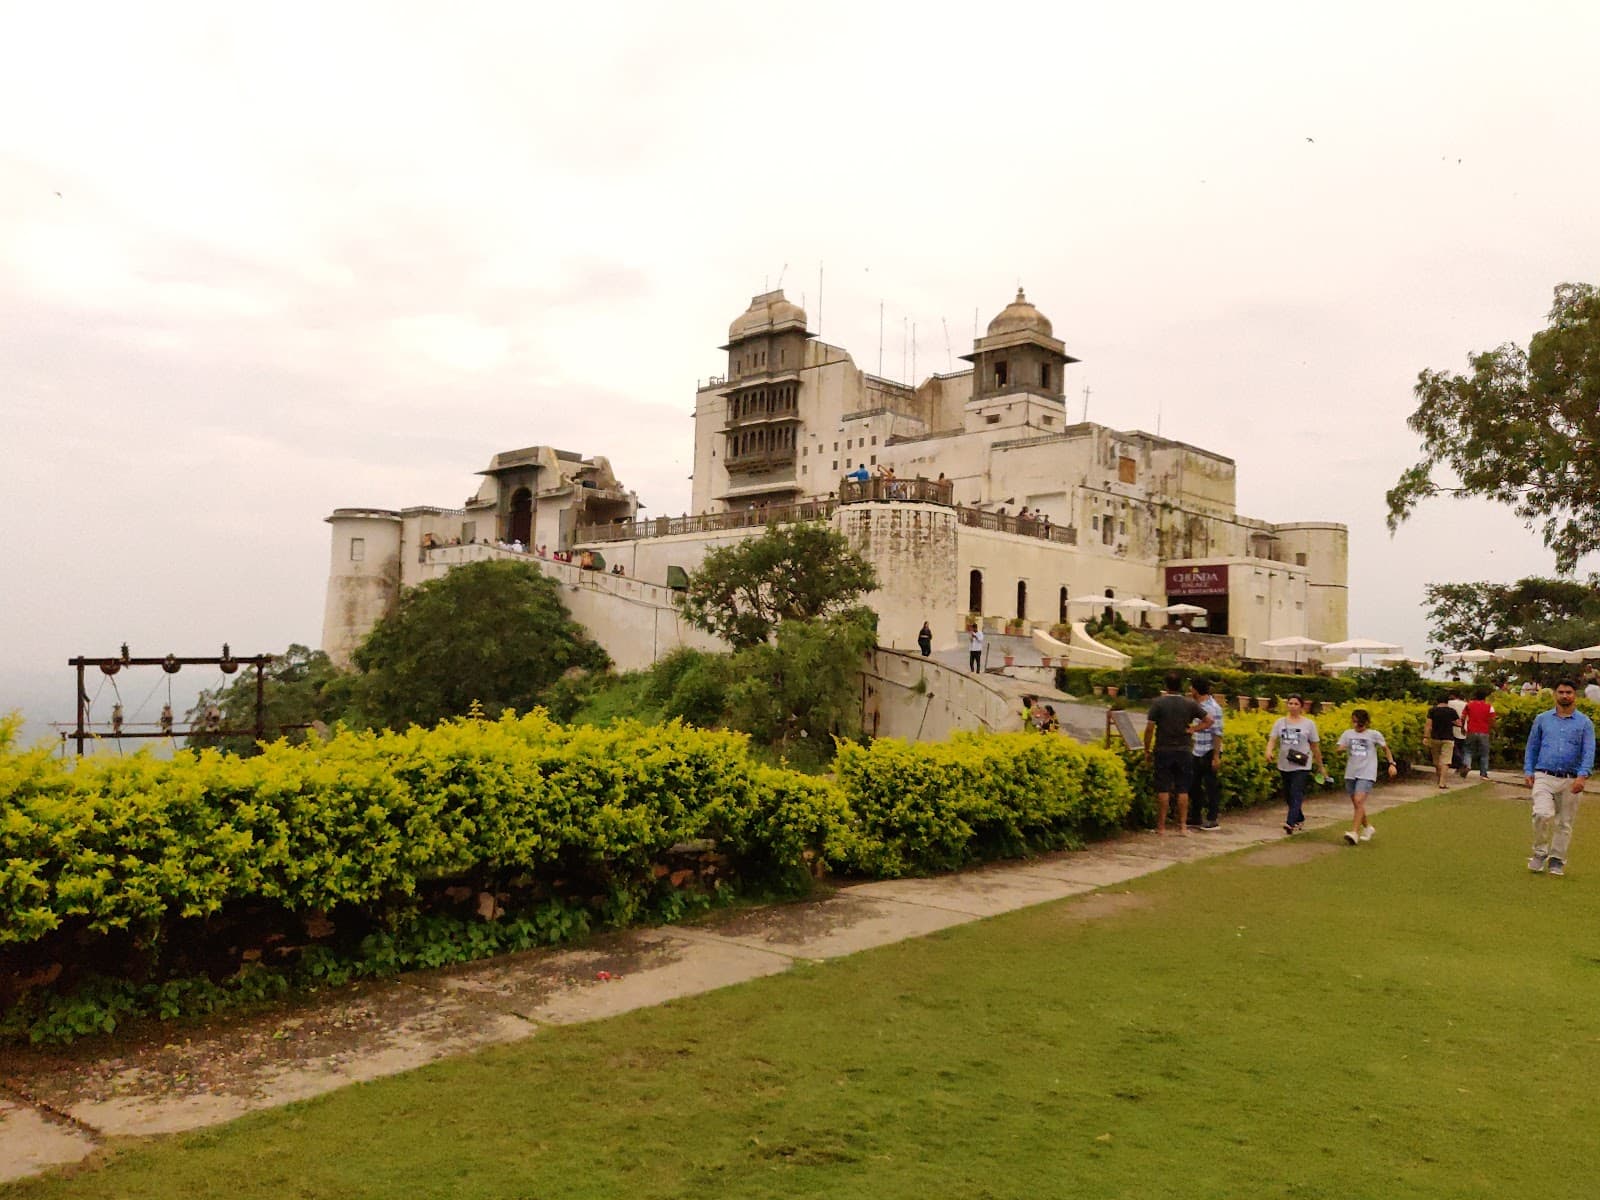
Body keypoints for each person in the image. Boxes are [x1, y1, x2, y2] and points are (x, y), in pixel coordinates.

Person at [1523, 680, 1596, 876]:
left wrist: (1582, 776)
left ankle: (1557, 859)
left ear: (1575, 695)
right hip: (1544, 775)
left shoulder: (1584, 723)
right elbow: (1532, 747)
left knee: (1564, 822)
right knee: (1542, 813)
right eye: (1561, 692)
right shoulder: (1542, 719)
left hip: (1570, 779)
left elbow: (1589, 751)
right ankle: (1539, 852)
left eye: (1569, 692)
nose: (1565, 696)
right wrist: (1528, 770)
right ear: (1555, 694)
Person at [1143, 673, 1212, 836]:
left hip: (1164, 748)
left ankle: (1161, 826)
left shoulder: (1158, 704)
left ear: (1166, 686)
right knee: (1183, 789)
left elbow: (1150, 728)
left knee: (1163, 788)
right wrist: (1192, 729)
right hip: (1184, 749)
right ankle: (1182, 826)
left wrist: (1147, 748)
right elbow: (1209, 720)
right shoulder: (1189, 704)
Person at [1335, 708, 1398, 845]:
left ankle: (1354, 832)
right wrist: (1341, 749)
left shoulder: (1374, 734)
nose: (1357, 725)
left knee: (1358, 801)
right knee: (1357, 804)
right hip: (1351, 772)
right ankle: (1368, 827)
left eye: (1359, 723)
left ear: (1366, 723)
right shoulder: (1348, 734)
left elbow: (1385, 749)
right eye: (1355, 722)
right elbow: (1339, 748)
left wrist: (1391, 763)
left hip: (1367, 772)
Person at [1266, 695, 1323, 835]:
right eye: (1290, 703)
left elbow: (1315, 746)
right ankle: (1299, 817)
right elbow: (1272, 739)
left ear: (1301, 706)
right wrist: (1269, 750)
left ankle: (1290, 822)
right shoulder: (1280, 722)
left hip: (1302, 763)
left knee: (1296, 792)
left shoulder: (1308, 724)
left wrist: (1320, 765)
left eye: (1296, 703)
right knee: (1288, 794)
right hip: (1285, 762)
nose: (1292, 706)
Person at [1188, 676, 1224, 831]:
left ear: (1196, 689)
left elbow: (1218, 733)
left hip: (1209, 750)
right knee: (1194, 784)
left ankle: (1212, 818)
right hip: (1197, 750)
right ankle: (1195, 816)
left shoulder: (1213, 708)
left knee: (1210, 786)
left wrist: (1216, 756)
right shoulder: (1196, 705)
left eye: (1191, 688)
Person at [1423, 692, 1460, 789]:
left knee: (1436, 761)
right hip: (1448, 738)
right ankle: (1442, 782)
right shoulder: (1452, 711)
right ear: (1447, 701)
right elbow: (1458, 723)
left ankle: (1439, 778)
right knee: (1446, 761)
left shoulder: (1432, 711)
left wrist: (1426, 737)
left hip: (1435, 738)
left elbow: (1428, 725)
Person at [1461, 687, 1496, 779]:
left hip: (1471, 730)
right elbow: (1492, 720)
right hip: (1484, 731)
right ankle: (1483, 774)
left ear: (1475, 696)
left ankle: (1467, 765)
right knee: (1484, 753)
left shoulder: (1469, 705)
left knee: (1468, 750)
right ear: (1485, 697)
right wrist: (1492, 729)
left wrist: (1462, 727)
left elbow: (1463, 717)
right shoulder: (1489, 707)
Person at [1448, 690, 1468, 776]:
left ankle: (1460, 764)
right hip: (1464, 728)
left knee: (1453, 747)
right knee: (1461, 748)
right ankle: (1460, 766)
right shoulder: (1466, 704)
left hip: (1452, 728)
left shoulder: (1449, 703)